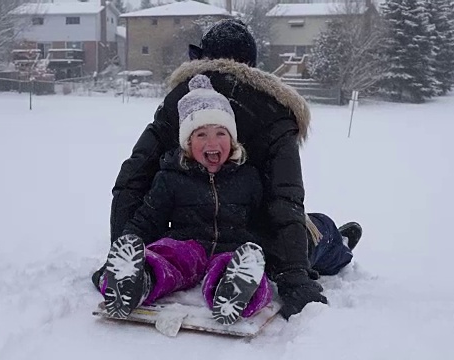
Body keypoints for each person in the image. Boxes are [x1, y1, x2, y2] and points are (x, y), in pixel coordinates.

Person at [93, 18, 362, 319]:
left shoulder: (181, 100)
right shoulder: (274, 110)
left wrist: (117, 248)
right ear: (252, 63)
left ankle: (325, 246)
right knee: (317, 230)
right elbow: (285, 200)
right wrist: (294, 276)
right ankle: (339, 242)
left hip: (234, 239)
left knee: (258, 249)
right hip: (254, 235)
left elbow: (133, 179)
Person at [100, 74, 275, 324]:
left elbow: (261, 221)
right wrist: (129, 241)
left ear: (233, 139)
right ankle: (134, 282)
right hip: (187, 244)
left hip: (231, 248)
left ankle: (235, 292)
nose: (212, 142)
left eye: (221, 133)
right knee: (165, 255)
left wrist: (267, 250)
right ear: (187, 142)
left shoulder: (248, 177)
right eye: (201, 134)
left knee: (238, 264)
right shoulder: (171, 177)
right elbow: (147, 220)